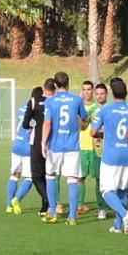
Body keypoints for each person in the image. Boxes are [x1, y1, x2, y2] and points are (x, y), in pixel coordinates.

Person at [41, 71, 89, 225]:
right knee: (72, 179)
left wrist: (43, 142)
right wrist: (82, 124)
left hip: (55, 146)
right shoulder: (77, 100)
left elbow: (47, 123)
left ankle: (53, 212)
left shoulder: (50, 101)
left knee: (51, 176)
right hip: (72, 147)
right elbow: (85, 119)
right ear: (68, 83)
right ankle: (72, 217)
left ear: (55, 85)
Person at [90, 78, 128, 234]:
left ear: (111, 93)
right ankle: (118, 225)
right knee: (122, 190)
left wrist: (105, 133)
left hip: (111, 155)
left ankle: (124, 214)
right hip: (127, 154)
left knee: (107, 191)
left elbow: (93, 132)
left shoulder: (105, 110)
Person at [22, 78, 54, 217]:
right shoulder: (56, 101)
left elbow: (25, 124)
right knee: (49, 176)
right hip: (53, 142)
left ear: (43, 88)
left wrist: (33, 126)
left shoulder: (34, 101)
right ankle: (45, 206)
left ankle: (48, 200)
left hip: (37, 141)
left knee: (36, 176)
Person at [77, 80, 104, 218]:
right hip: (81, 147)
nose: (86, 92)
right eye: (84, 90)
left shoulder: (97, 109)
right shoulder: (78, 107)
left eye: (89, 90)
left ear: (92, 91)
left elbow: (99, 128)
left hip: (94, 148)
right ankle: (80, 205)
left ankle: (101, 207)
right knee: (80, 178)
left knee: (98, 179)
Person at [5, 93, 35, 215]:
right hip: (28, 148)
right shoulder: (37, 110)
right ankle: (17, 199)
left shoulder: (22, 106)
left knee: (14, 175)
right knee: (31, 177)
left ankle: (8, 206)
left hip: (16, 145)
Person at [92, 83, 108, 219]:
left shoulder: (110, 109)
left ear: (106, 94)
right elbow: (92, 131)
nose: (99, 96)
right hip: (97, 150)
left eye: (102, 93)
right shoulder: (92, 110)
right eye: (97, 94)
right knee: (99, 180)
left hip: (111, 150)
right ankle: (101, 208)